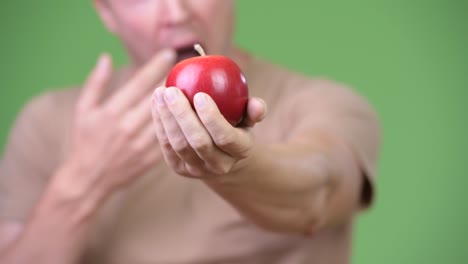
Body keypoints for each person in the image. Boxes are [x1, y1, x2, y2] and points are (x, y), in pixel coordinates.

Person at [0, 0, 380, 263]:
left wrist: (234, 167)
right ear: (107, 11)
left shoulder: (320, 102)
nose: (175, 13)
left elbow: (318, 192)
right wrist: (83, 181)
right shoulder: (47, 123)